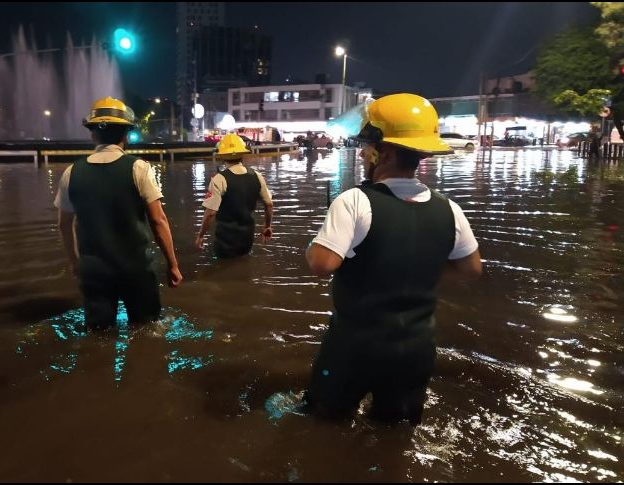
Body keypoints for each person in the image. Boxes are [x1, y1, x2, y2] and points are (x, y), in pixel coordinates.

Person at [304, 93, 482, 424]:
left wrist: (318, 240)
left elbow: (321, 264)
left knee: (322, 424)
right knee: (394, 433)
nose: (361, 153)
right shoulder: (449, 209)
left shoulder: (354, 201)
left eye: (366, 145)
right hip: (416, 351)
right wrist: (413, 264)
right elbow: (471, 268)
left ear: (383, 152)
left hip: (354, 348)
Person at [54, 96, 183, 331]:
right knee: (146, 331)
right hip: (136, 269)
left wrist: (75, 262)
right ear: (126, 134)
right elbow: (158, 220)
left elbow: (64, 224)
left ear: (92, 133)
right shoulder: (139, 168)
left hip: (94, 271)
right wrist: (172, 264)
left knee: (98, 335)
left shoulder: (71, 173)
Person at [195, 133, 273, 258]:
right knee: (244, 267)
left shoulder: (219, 179)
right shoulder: (257, 176)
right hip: (248, 239)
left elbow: (210, 213)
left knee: (221, 271)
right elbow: (269, 204)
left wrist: (201, 235)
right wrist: (267, 226)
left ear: (222, 155)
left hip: (224, 241)